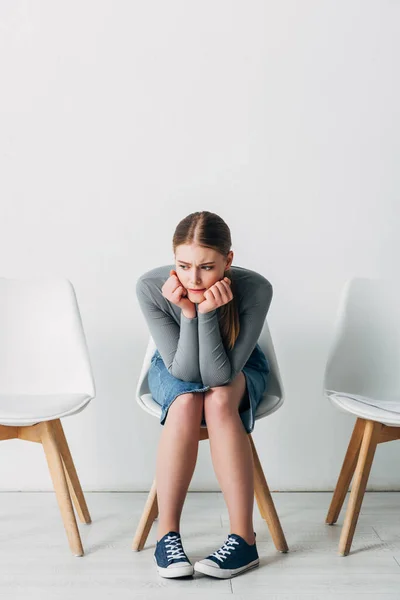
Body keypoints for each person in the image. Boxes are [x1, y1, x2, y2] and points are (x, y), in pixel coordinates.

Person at [136, 211, 272, 579]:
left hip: (237, 364)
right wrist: (188, 313)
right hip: (174, 360)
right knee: (185, 401)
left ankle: (244, 540)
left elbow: (218, 375)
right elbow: (185, 373)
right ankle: (167, 536)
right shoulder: (151, 287)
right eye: (183, 265)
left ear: (228, 260)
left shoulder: (256, 288)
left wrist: (207, 312)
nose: (193, 278)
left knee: (218, 399)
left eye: (207, 267)